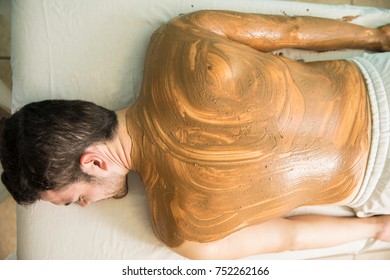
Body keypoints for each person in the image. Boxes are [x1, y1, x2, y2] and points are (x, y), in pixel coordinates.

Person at [1, 11, 390, 259]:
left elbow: (290, 237)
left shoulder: (181, 229)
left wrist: (373, 228)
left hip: (378, 178)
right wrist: (379, 39)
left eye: (75, 199)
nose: (85, 206)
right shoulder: (174, 42)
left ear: (94, 161)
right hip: (378, 80)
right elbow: (289, 30)